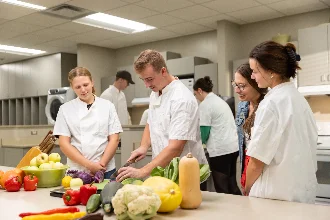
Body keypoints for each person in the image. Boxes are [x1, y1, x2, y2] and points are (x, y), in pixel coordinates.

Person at [116, 49, 208, 182]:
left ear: (163, 71)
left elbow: (176, 147)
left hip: (184, 174)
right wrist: (143, 146)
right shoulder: (156, 92)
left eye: (149, 79)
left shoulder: (181, 99)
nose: (147, 85)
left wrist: (142, 171)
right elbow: (151, 121)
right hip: (163, 169)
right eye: (143, 80)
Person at [245, 41, 318, 203]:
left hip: (275, 197)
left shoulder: (271, 103)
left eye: (255, 71)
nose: (252, 76)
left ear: (271, 72)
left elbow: (257, 162)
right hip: (301, 194)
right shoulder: (299, 99)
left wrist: (247, 189)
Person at [54, 67, 123, 178]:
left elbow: (114, 139)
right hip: (77, 171)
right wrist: (89, 165)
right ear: (72, 87)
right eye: (78, 87)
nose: (83, 90)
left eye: (85, 85)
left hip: (106, 169)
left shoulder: (107, 106)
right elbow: (64, 144)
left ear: (92, 82)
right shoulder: (65, 109)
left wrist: (101, 166)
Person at [194, 76, 240, 195]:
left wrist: (198, 144)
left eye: (195, 94)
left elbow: (204, 131)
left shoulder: (205, 104)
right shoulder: (219, 101)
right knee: (232, 184)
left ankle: (226, 212)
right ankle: (241, 210)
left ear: (199, 90)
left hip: (220, 151)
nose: (196, 98)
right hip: (232, 148)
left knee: (222, 187)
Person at [233, 63, 267, 191]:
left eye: (241, 86)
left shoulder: (267, 107)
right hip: (247, 161)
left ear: (255, 83)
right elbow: (243, 143)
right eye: (235, 85)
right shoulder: (242, 107)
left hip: (260, 164)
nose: (237, 90)